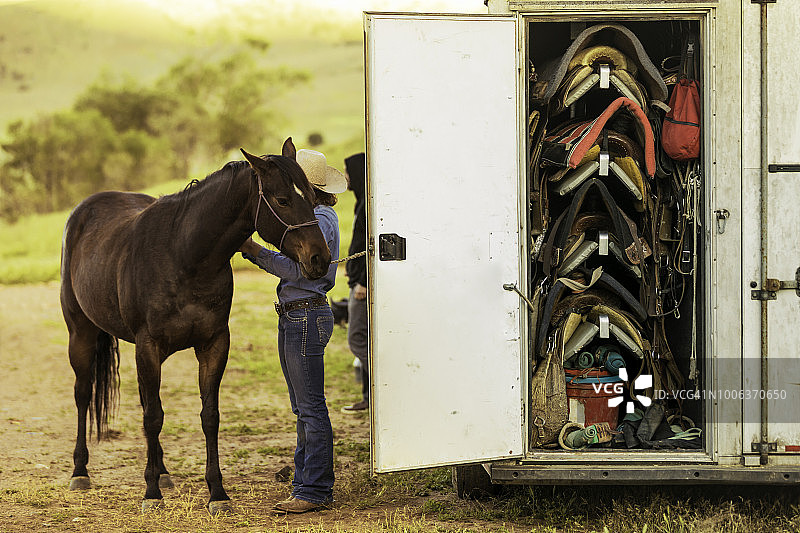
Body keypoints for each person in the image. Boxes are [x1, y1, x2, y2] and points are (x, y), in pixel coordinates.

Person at [239, 148, 346, 514]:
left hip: (305, 315)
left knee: (311, 408)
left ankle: (314, 490)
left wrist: (254, 251)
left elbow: (302, 271)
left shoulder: (321, 219)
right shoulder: (317, 216)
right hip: (296, 315)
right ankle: (306, 482)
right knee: (303, 408)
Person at [340, 152, 369, 414]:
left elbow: (371, 247)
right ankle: (369, 397)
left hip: (361, 288)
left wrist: (362, 281)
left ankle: (385, 388)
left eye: (348, 172)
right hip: (357, 281)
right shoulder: (362, 203)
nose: (345, 177)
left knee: (357, 340)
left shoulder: (368, 206)